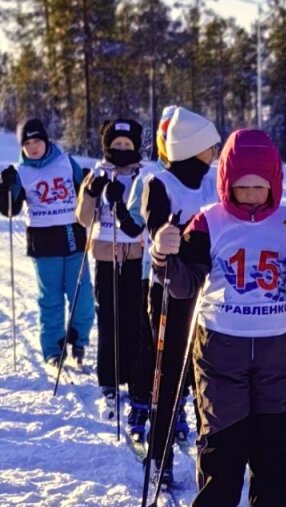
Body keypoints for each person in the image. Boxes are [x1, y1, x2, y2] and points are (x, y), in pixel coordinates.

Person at [150, 129, 286, 507]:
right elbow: (183, 284)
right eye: (241, 186)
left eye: (259, 186)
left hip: (277, 348)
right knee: (221, 437)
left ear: (274, 184)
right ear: (226, 182)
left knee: (274, 440)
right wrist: (162, 254)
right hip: (219, 346)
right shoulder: (209, 221)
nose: (250, 195)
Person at [138, 107, 221, 484]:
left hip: (211, 295)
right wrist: (162, 238)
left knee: (206, 375)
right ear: (193, 146)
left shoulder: (214, 182)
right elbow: (153, 224)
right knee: (169, 374)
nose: (215, 152)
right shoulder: (161, 183)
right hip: (171, 294)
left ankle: (213, 458)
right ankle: (159, 455)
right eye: (210, 146)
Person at [0, 118, 95, 370]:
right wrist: (2, 187)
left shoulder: (65, 162)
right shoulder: (20, 172)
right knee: (50, 299)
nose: (33, 147)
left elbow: (86, 189)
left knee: (82, 298)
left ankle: (78, 341)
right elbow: (11, 210)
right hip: (43, 243)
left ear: (46, 140)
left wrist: (93, 184)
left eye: (37, 140)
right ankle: (53, 349)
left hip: (73, 238)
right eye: (27, 143)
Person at [76, 119, 149, 422]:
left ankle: (134, 377)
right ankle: (108, 378)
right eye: (116, 145)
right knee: (108, 318)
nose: (121, 150)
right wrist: (91, 192)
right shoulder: (97, 171)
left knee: (134, 318)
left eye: (127, 145)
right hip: (106, 255)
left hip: (135, 255)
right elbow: (82, 218)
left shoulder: (145, 175)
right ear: (107, 146)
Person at [123, 105, 178, 443]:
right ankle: (141, 402)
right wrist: (116, 205)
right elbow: (131, 226)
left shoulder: (203, 176)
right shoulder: (149, 177)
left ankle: (177, 405)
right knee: (150, 342)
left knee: (181, 345)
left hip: (192, 275)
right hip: (153, 273)